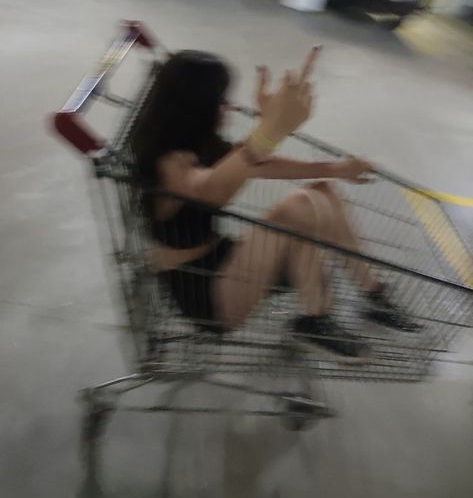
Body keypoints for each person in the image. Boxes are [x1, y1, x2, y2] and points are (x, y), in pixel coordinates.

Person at [133, 48, 419, 362]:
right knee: (299, 208)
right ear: (197, 105)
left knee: (324, 192)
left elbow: (256, 164)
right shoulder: (169, 165)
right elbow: (212, 190)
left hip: (222, 263)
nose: (228, 107)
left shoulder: (193, 141)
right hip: (206, 296)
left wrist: (331, 169)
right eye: (222, 99)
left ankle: (373, 293)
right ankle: (315, 318)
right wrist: (271, 129)